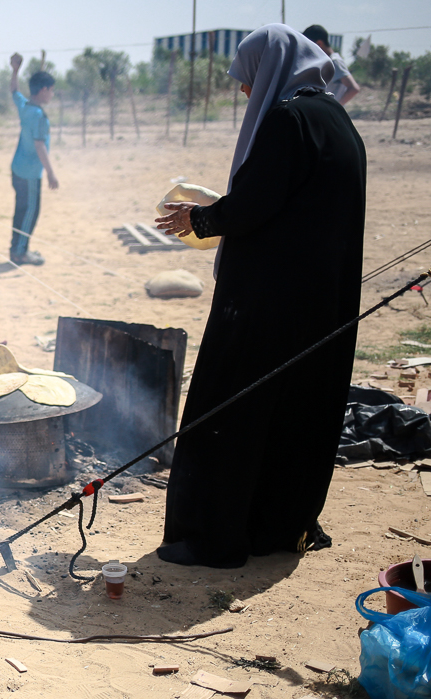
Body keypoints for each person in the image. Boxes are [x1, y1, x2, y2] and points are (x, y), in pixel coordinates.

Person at [154, 23, 366, 569]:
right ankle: (279, 526)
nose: (246, 92)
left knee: (232, 411)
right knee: (295, 413)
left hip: (266, 305)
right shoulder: (336, 119)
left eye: (248, 80)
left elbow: (254, 204)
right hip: (320, 306)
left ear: (270, 68)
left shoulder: (288, 119)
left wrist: (199, 218)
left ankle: (213, 536)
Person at [8, 54, 59, 267]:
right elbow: (40, 146)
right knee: (30, 212)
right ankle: (20, 253)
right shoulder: (38, 115)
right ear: (43, 90)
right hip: (29, 174)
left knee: (22, 211)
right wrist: (51, 173)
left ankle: (18, 249)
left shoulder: (25, 106)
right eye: (51, 89)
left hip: (18, 169)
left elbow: (13, 90)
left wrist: (15, 70)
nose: (52, 94)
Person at [302, 24, 360, 105]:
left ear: (319, 44)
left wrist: (335, 107)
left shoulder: (334, 61)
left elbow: (353, 88)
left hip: (327, 114)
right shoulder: (327, 61)